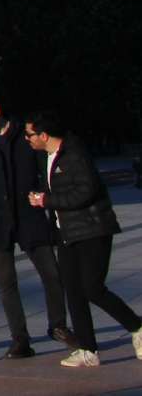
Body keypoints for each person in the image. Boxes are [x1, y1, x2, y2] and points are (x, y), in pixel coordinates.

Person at [26, 112, 141, 369]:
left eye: (29, 135)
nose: (27, 139)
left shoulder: (74, 154)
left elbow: (86, 191)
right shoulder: (47, 157)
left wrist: (48, 200)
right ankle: (88, 349)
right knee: (74, 293)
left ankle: (137, 326)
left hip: (92, 230)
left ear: (43, 135)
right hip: (66, 234)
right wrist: (44, 198)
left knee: (93, 288)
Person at [0, 95, 68, 360]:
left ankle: (58, 326)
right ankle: (20, 339)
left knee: (51, 273)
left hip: (29, 215)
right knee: (6, 283)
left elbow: (44, 167)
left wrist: (43, 195)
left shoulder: (23, 135)